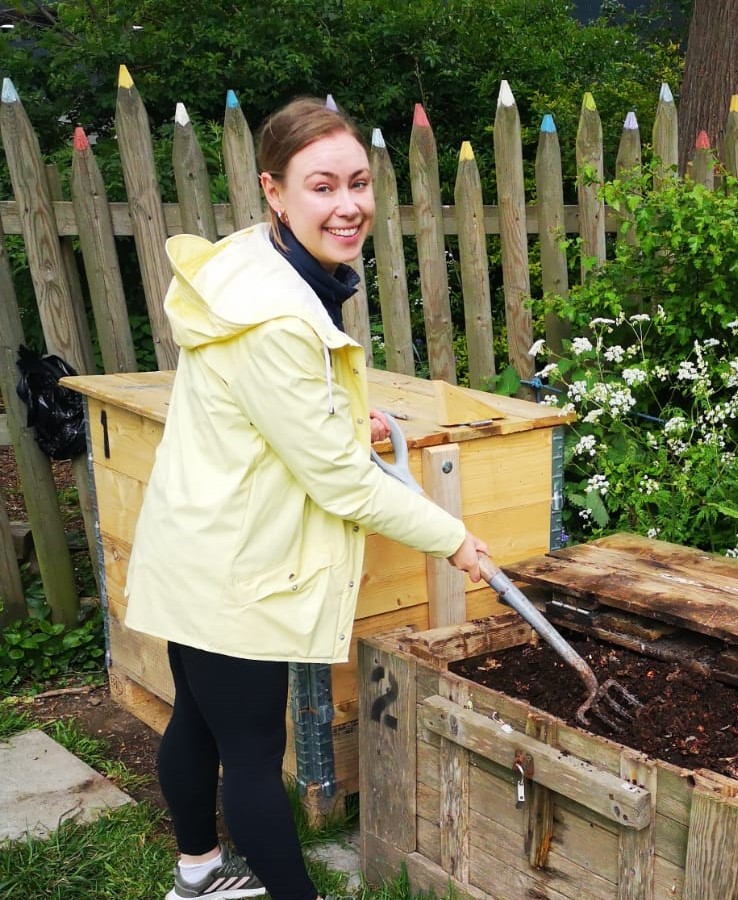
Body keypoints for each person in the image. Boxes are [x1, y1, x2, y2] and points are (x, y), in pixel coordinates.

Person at [124, 97, 488, 900]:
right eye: (322, 186)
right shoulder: (275, 316)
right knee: (251, 757)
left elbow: (279, 406)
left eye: (359, 183)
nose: (349, 204)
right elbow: (338, 479)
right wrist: (450, 535)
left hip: (199, 540)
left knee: (198, 719)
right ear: (275, 192)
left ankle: (196, 879)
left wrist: (338, 409)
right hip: (235, 566)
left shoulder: (256, 259)